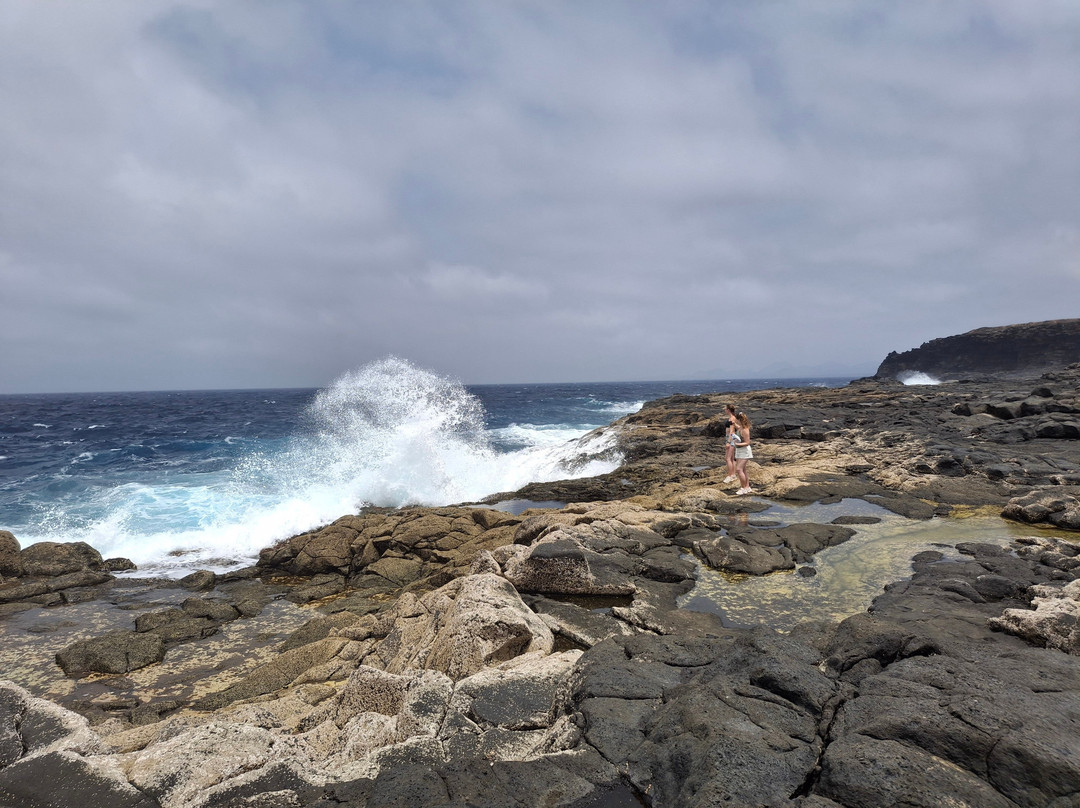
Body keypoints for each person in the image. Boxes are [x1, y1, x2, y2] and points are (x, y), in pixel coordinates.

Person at [733, 411, 753, 495]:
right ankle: (747, 487)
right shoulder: (740, 427)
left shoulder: (745, 430)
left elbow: (747, 442)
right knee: (743, 470)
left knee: (739, 469)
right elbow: (736, 426)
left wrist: (736, 444)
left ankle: (743, 488)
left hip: (745, 451)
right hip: (739, 450)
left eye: (737, 420)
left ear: (739, 420)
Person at [722, 404, 739, 484]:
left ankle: (730, 475)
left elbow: (732, 431)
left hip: (731, 439)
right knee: (731, 458)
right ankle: (733, 475)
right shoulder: (732, 418)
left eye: (725, 409)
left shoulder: (732, 418)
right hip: (730, 438)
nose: (725, 410)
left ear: (728, 410)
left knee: (728, 458)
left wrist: (728, 442)